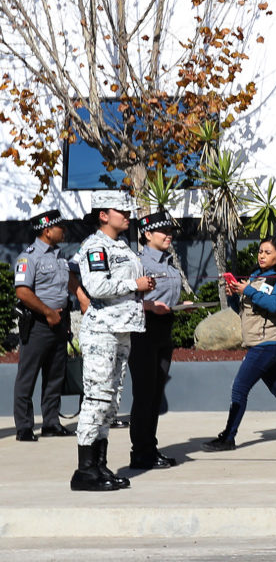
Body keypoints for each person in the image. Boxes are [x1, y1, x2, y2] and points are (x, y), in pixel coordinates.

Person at [71, 190, 154, 492]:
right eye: (121, 211)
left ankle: (99, 464)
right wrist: (135, 283)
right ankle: (84, 470)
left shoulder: (124, 247)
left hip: (123, 328)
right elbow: (95, 285)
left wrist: (140, 289)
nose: (127, 216)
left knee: (111, 399)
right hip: (102, 330)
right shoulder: (94, 246)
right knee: (96, 397)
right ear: (103, 215)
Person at [203, 238, 276, 451]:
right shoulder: (254, 277)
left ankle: (228, 437)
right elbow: (243, 311)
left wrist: (248, 291)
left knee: (239, 388)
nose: (261, 256)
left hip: (267, 343)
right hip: (257, 343)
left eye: (268, 252)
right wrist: (234, 296)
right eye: (260, 251)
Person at [13, 209, 78, 441]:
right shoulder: (28, 257)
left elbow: (69, 281)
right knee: (27, 376)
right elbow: (22, 291)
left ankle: (51, 422)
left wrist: (80, 297)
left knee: (54, 376)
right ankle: (24, 427)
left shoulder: (60, 256)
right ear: (47, 230)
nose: (65, 231)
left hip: (59, 322)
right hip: (38, 323)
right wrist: (48, 312)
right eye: (60, 227)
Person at [128, 211, 184, 470]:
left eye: (170, 231)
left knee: (155, 391)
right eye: (163, 231)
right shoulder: (136, 263)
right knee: (144, 393)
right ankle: (140, 451)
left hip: (164, 329)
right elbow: (125, 299)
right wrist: (150, 307)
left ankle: (150, 448)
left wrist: (183, 306)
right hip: (143, 331)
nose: (168, 235)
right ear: (147, 234)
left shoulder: (170, 265)